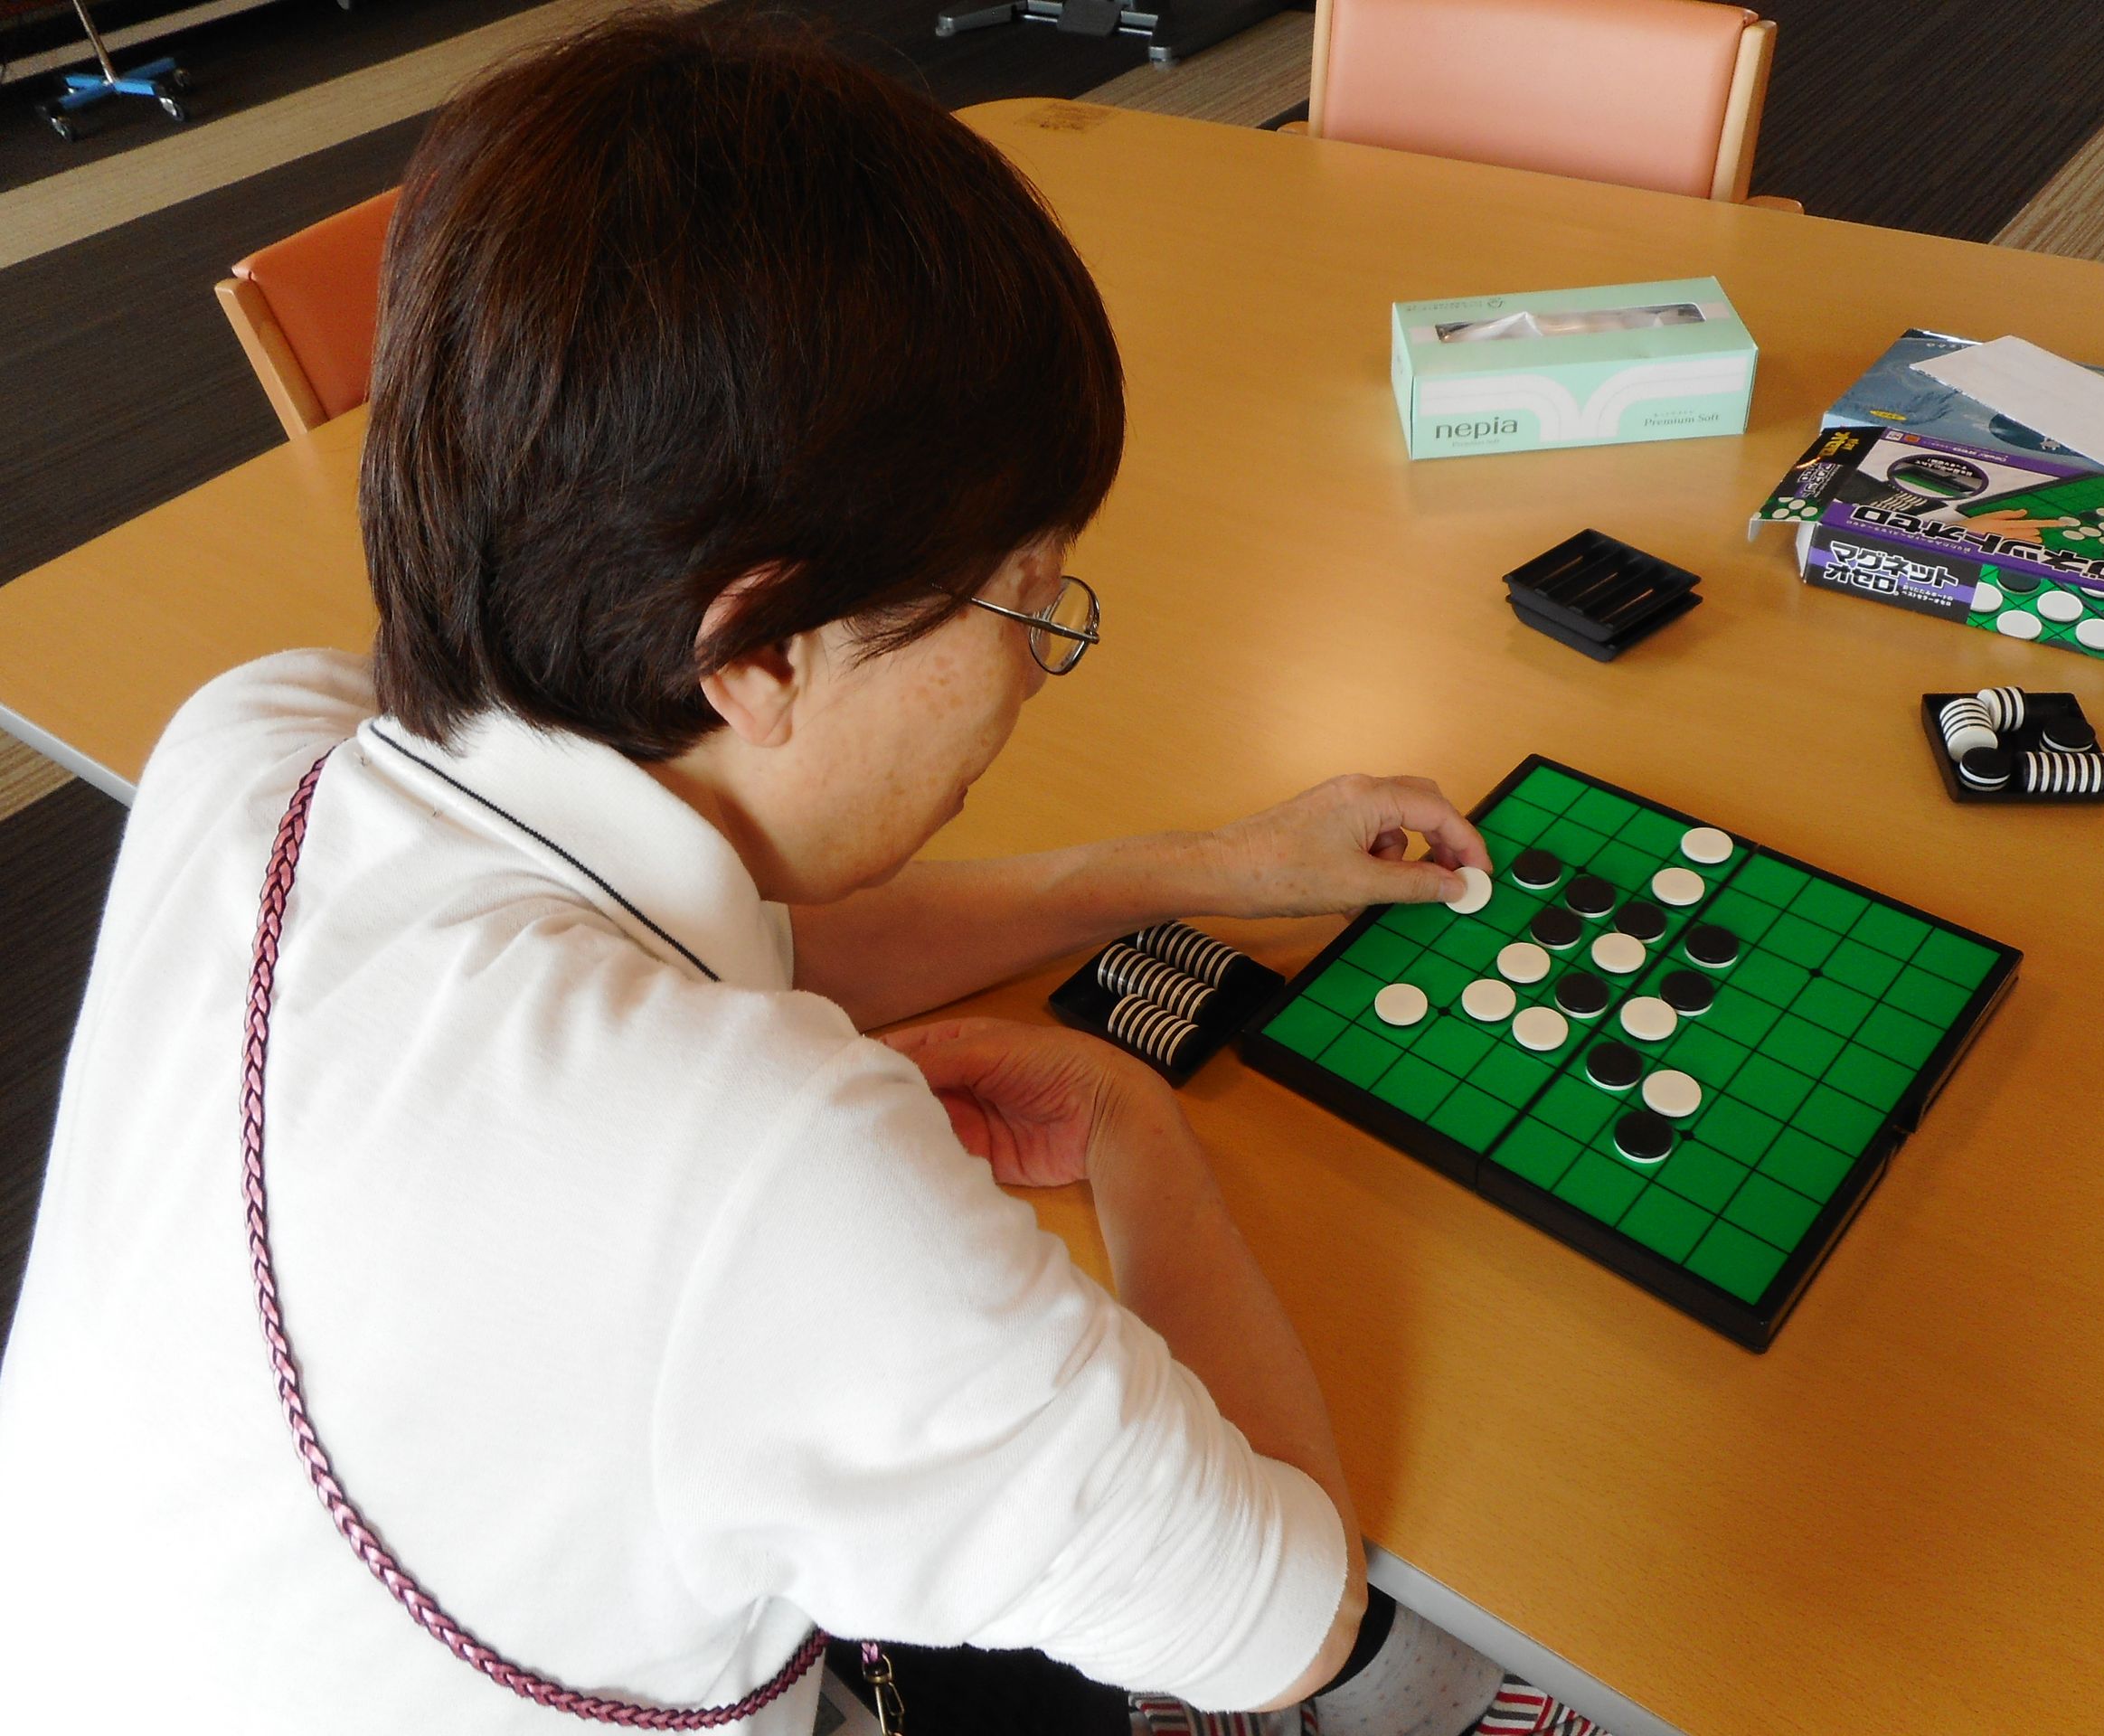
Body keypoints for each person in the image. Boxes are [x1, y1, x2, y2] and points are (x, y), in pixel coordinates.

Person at [0, 13, 1505, 1732]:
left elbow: (742, 950)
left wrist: (1202, 866)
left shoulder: (258, 747)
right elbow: (1283, 1611)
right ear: (759, 651)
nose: (1036, 667)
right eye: (1022, 602)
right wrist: (1134, 1132)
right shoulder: (774, 1169)